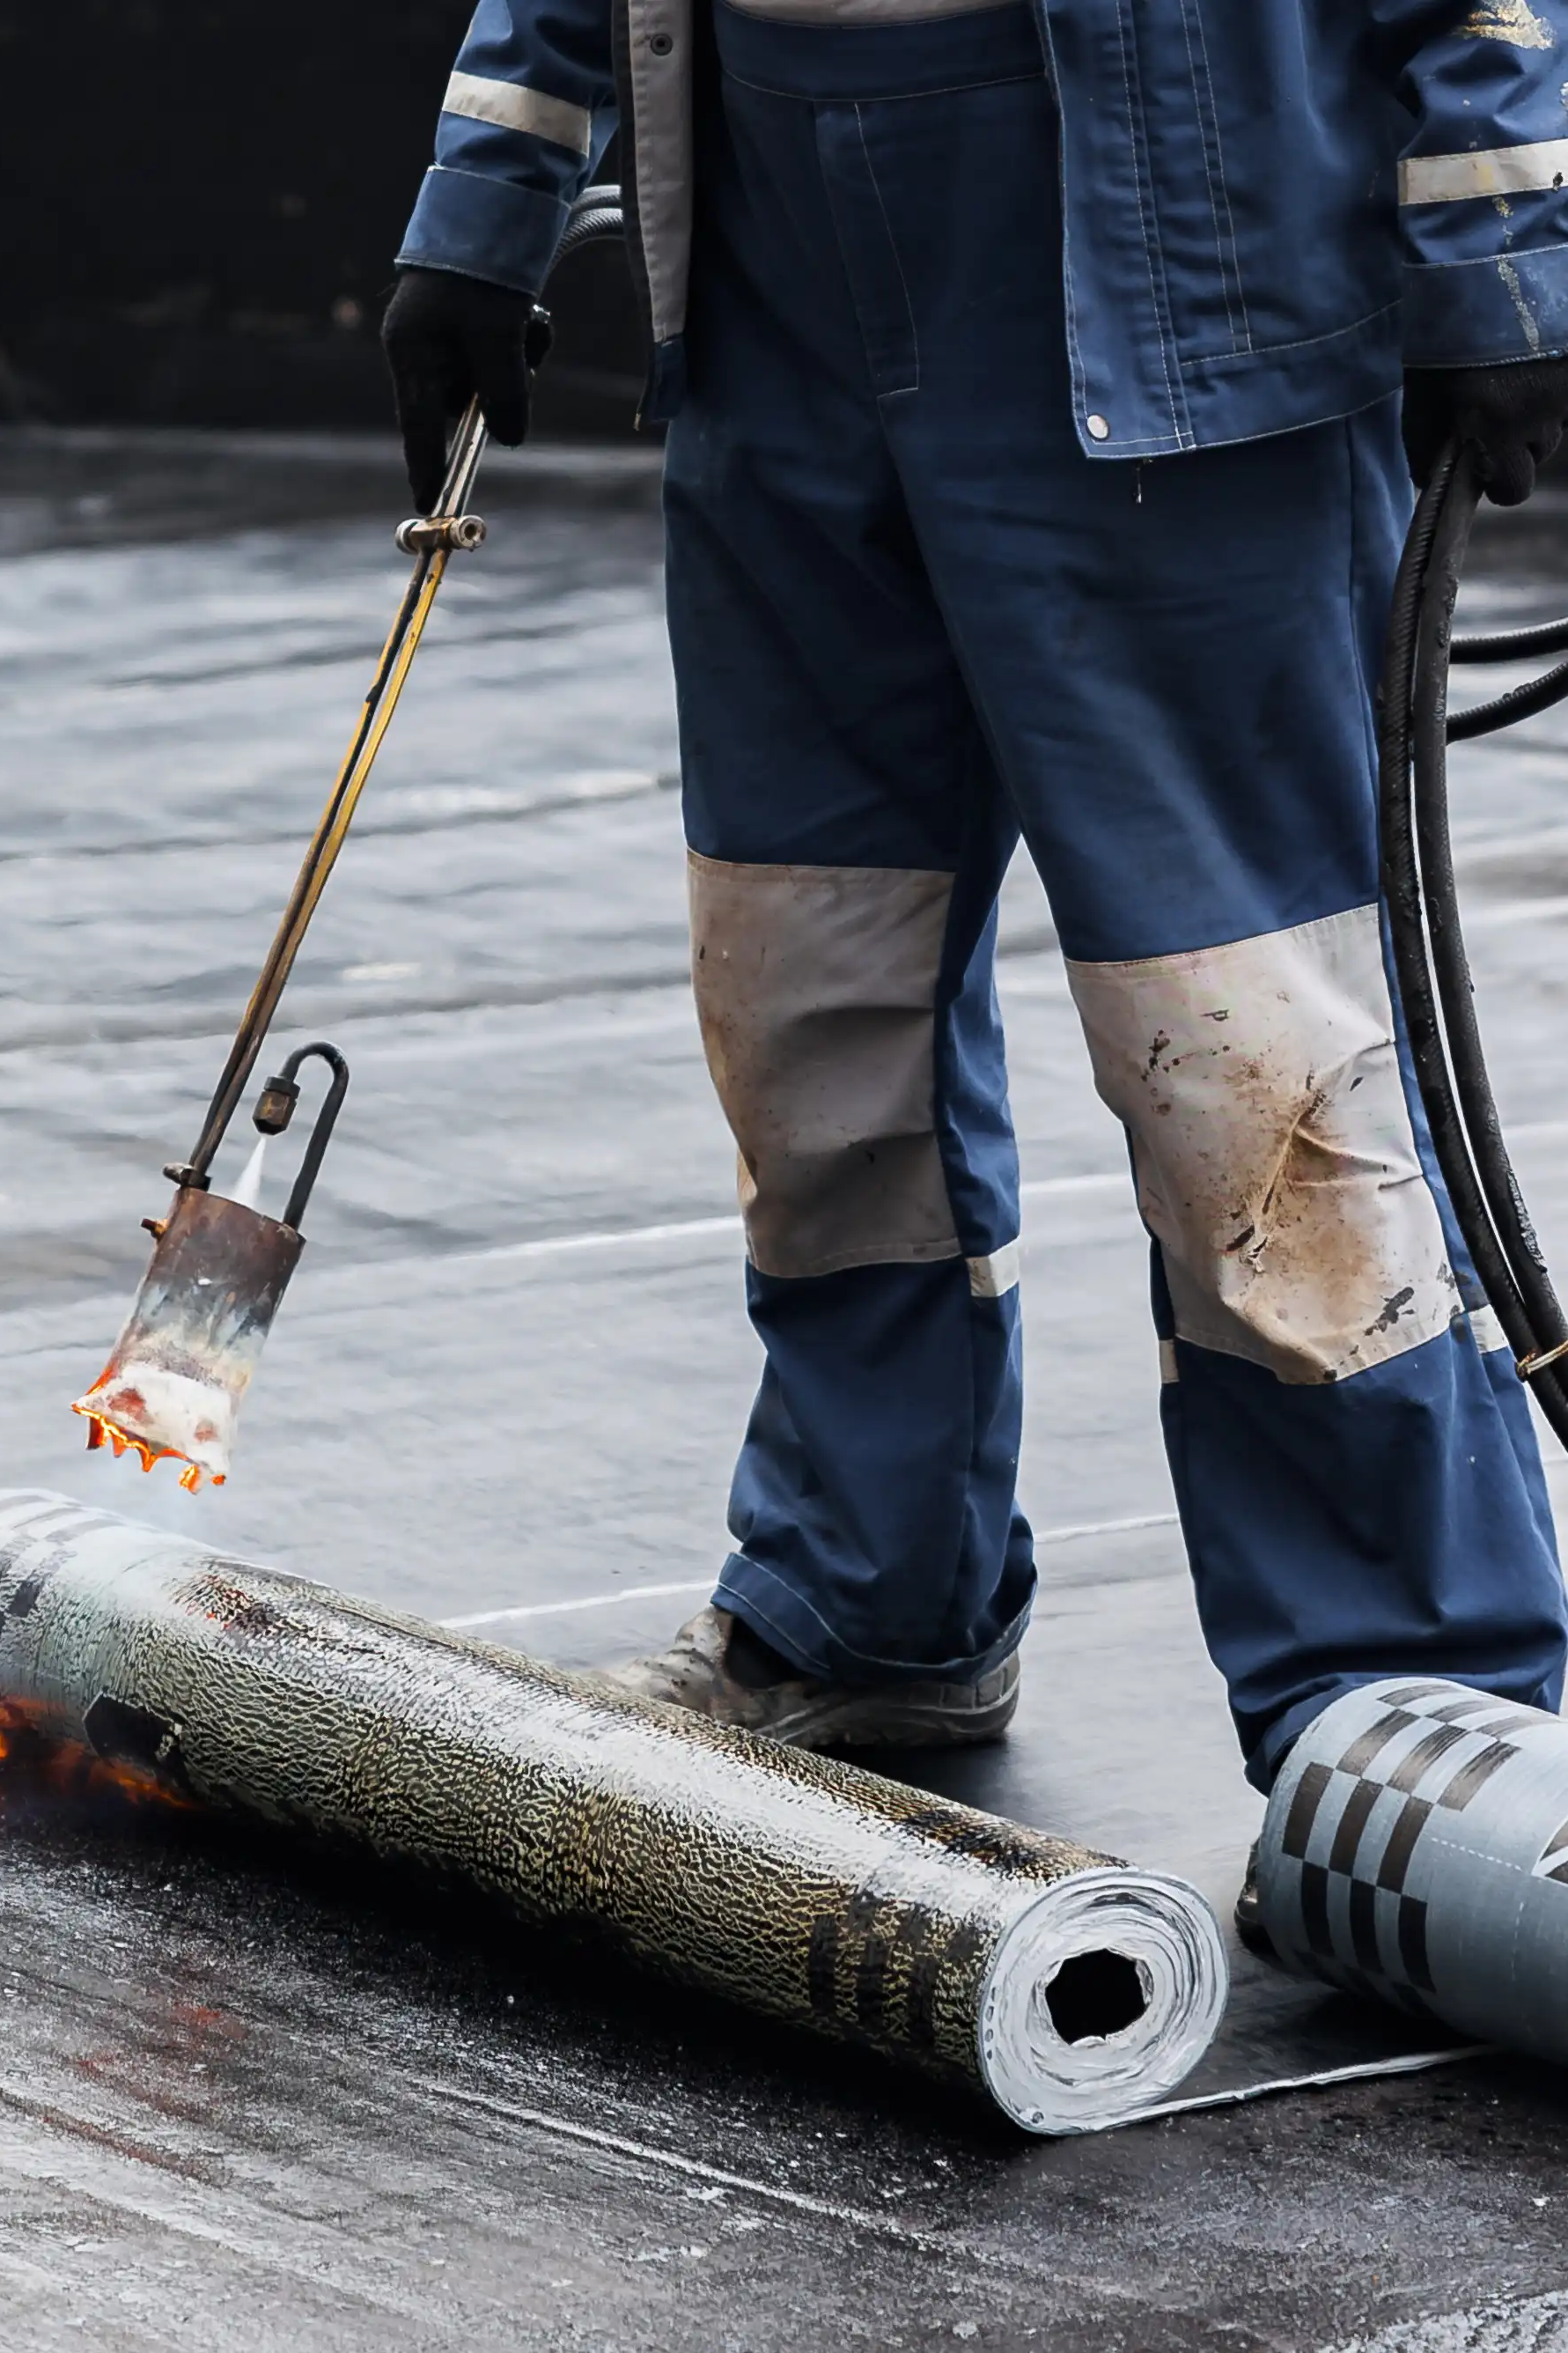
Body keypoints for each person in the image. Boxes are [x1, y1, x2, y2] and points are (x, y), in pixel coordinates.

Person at [379, 2, 1568, 1839]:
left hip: (1175, 288)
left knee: (1239, 1040)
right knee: (809, 1001)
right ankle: (867, 1594)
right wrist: (490, 197)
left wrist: (1498, 237)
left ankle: (1414, 1700)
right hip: (780, 301)